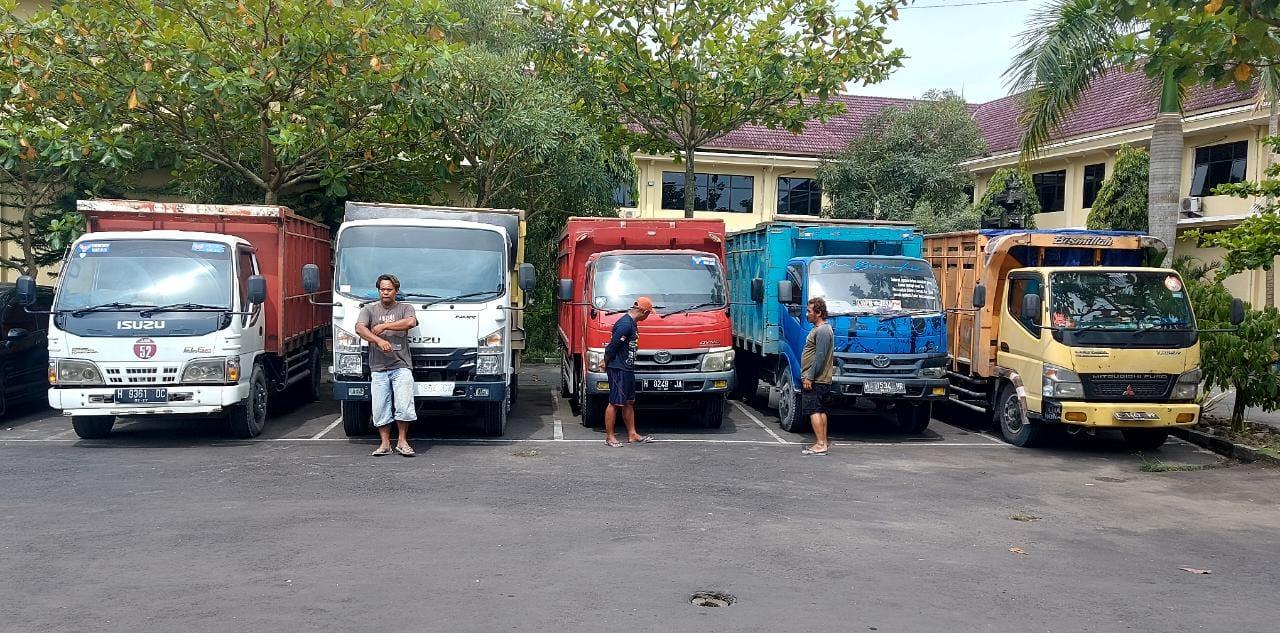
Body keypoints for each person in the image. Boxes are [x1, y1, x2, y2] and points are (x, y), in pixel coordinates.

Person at [355, 274, 419, 457]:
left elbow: (411, 322)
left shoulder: (405, 308)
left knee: (404, 405)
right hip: (378, 368)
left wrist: (384, 326)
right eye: (382, 289)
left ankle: (402, 441)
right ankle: (385, 444)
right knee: (380, 407)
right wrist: (378, 340)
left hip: (401, 365)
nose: (385, 292)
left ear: (396, 291)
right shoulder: (369, 310)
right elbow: (359, 328)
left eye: (389, 289)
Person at [603, 296, 655, 447]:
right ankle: (610, 437)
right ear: (644, 312)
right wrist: (605, 362)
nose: (647, 317)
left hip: (627, 368)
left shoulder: (632, 323)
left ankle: (632, 434)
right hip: (618, 368)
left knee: (629, 401)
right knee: (615, 402)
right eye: (649, 313)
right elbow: (612, 346)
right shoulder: (625, 324)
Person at [801, 296, 835, 456]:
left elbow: (820, 356)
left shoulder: (822, 330)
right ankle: (822, 442)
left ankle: (821, 444)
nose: (807, 314)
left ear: (819, 313)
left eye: (809, 311)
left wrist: (810, 376)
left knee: (814, 410)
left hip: (817, 379)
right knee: (820, 410)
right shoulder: (822, 329)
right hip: (819, 378)